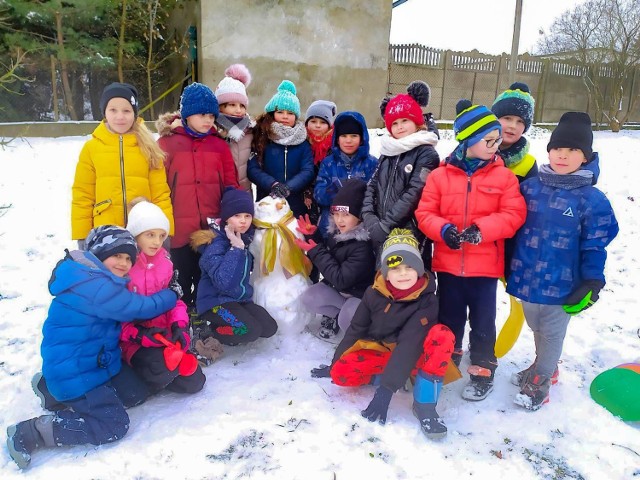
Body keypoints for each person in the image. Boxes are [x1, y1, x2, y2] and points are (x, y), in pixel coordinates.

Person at [6, 226, 181, 470]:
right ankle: (33, 431)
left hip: (93, 364)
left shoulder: (88, 276)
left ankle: (49, 388)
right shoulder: (98, 288)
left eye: (129, 258)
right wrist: (171, 294)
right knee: (113, 425)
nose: (123, 263)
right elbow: (141, 307)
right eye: (117, 255)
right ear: (99, 254)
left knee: (135, 395)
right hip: (79, 374)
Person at [415, 100, 527, 401]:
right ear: (469, 141)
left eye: (497, 140)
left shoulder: (503, 177)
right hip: (449, 263)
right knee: (449, 315)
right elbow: (425, 212)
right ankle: (449, 353)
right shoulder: (440, 176)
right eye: (488, 140)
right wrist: (443, 230)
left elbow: (513, 214)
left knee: (483, 320)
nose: (495, 146)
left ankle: (482, 366)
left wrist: (482, 230)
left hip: (485, 267)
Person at [506, 112, 619, 410]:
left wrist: (593, 280)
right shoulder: (530, 188)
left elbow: (596, 244)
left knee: (552, 330)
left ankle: (541, 380)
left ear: (585, 157)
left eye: (572, 150)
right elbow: (512, 227)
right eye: (558, 148)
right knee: (535, 326)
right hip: (527, 276)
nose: (563, 155)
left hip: (562, 283)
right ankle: (543, 365)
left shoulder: (591, 199)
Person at [310, 229, 455, 439]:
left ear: (419, 270)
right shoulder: (374, 293)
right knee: (340, 375)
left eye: (409, 267)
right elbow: (355, 330)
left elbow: (409, 344)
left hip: (415, 356)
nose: (403, 274)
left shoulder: (427, 299)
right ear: (386, 272)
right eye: (395, 269)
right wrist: (335, 362)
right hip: (384, 353)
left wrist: (386, 391)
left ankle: (425, 405)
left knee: (442, 335)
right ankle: (391, 376)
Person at [156, 82, 239, 310]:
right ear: (187, 114)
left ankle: (203, 316)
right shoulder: (166, 144)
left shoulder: (219, 146)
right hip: (178, 229)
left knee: (206, 278)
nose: (208, 120)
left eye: (212, 115)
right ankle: (180, 318)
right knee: (179, 279)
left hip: (210, 229)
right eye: (202, 114)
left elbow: (231, 184)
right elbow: (157, 185)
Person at [120, 198, 206, 392]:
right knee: (160, 369)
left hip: (164, 337)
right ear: (135, 234)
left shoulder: (165, 262)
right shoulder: (124, 266)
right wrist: (139, 335)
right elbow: (116, 313)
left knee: (195, 382)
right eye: (150, 235)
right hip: (134, 341)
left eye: (161, 235)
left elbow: (175, 300)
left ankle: (162, 373)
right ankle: (137, 376)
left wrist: (180, 325)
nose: (157, 242)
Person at [71, 82, 174, 246]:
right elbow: (82, 195)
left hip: (143, 232)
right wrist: (82, 235)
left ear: (134, 113)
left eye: (126, 111)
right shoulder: (91, 148)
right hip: (105, 233)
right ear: (104, 112)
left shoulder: (148, 146)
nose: (120, 116)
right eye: (113, 110)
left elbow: (160, 193)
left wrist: (165, 231)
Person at [361, 81, 440, 269]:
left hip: (409, 232)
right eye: (394, 123)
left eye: (405, 120)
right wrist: (369, 216)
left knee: (408, 281)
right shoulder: (388, 152)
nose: (400, 127)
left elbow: (415, 192)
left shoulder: (426, 153)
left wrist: (386, 225)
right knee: (383, 278)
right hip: (380, 227)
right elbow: (372, 185)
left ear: (417, 122)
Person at [190, 187, 278, 347]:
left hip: (239, 299)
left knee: (269, 327)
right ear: (226, 218)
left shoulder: (246, 238)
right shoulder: (215, 244)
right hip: (215, 304)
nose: (243, 220)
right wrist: (235, 249)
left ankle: (230, 326)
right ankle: (213, 332)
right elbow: (223, 282)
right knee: (249, 330)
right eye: (237, 216)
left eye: (247, 216)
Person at [295, 178, 376, 340]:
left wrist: (315, 251)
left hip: (358, 296)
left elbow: (341, 279)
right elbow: (329, 254)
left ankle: (362, 338)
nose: (339, 220)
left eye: (346, 215)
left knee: (348, 317)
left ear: (359, 215)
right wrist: (313, 235)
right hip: (341, 292)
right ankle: (337, 315)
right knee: (309, 297)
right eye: (336, 214)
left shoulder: (363, 246)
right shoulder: (337, 233)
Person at [247, 80, 314, 217]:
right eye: (280, 112)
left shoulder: (302, 141)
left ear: (295, 116)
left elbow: (307, 170)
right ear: (272, 113)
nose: (285, 116)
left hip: (295, 204)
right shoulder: (262, 137)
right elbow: (253, 168)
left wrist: (289, 187)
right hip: (267, 201)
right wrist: (272, 184)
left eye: (290, 113)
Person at [313, 111, 378, 237]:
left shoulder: (372, 163)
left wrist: (357, 197)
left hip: (362, 228)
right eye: (344, 136)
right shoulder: (328, 163)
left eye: (354, 136)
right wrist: (338, 192)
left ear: (362, 138)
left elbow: (376, 195)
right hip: (331, 227)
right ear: (337, 139)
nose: (348, 140)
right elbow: (319, 194)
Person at [214, 63, 255, 193]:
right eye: (232, 105)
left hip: (244, 194)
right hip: (218, 194)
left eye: (242, 106)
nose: (238, 110)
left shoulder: (250, 130)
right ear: (220, 106)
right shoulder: (212, 130)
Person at [491, 82, 538, 182]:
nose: (513, 126)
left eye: (520, 121)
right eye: (507, 118)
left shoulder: (528, 164)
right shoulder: (475, 152)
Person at [303, 99, 337, 225]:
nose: (317, 125)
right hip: (306, 192)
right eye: (313, 121)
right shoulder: (302, 141)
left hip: (326, 192)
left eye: (322, 122)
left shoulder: (333, 145)